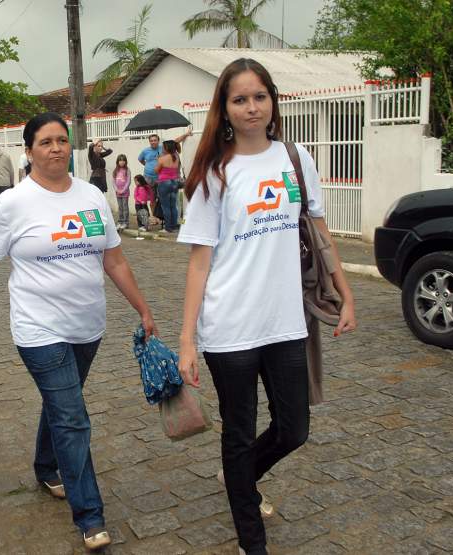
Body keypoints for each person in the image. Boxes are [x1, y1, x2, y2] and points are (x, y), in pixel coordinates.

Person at [177, 58, 357, 555]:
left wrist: (345, 293)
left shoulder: (295, 158)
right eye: (240, 99)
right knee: (238, 433)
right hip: (230, 326)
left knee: (294, 427)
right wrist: (187, 340)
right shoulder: (216, 172)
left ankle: (239, 479)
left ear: (272, 100)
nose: (251, 107)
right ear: (225, 109)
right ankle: (250, 540)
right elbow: (198, 263)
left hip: (285, 323)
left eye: (259, 96)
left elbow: (318, 231)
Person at [0, 112, 155, 552]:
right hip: (37, 328)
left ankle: (47, 467)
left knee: (61, 404)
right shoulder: (12, 203)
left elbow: (115, 260)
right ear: (28, 151)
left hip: (88, 325)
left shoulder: (91, 196)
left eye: (62, 140)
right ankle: (90, 515)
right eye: (45, 142)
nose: (56, 148)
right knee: (72, 415)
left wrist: (142, 307)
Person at [154, 131, 192, 233]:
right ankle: (174, 226)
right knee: (173, 206)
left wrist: (158, 160)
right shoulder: (176, 156)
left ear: (167, 148)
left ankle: (168, 228)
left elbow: (156, 170)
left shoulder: (162, 158)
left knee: (165, 206)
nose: (162, 148)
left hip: (164, 183)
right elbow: (175, 142)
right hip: (174, 182)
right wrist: (186, 135)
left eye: (163, 147)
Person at [137, 133, 162, 221]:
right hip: (148, 178)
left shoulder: (163, 149)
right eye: (151, 141)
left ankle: (161, 217)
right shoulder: (145, 151)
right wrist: (147, 165)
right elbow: (140, 159)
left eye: (155, 140)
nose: (153, 142)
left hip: (160, 178)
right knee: (152, 199)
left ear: (158, 141)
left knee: (161, 198)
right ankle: (154, 217)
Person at [112, 154, 131, 230]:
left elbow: (128, 181)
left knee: (125, 207)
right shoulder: (115, 170)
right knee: (120, 207)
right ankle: (120, 221)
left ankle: (126, 222)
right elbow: (113, 181)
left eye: (123, 160)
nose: (122, 162)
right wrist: (117, 189)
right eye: (120, 160)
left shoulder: (127, 170)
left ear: (125, 161)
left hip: (125, 193)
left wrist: (123, 190)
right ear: (117, 161)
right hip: (118, 193)